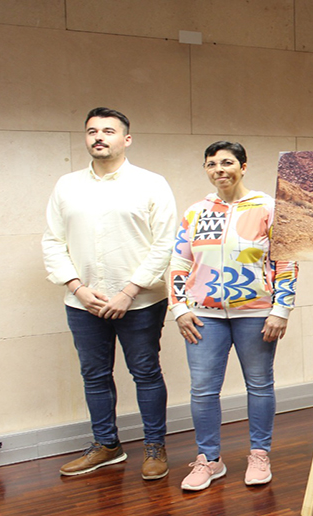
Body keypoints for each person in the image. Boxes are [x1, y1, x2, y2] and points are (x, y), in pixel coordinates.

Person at [42, 107, 177, 479]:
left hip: (141, 302)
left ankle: (154, 447)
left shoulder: (151, 183)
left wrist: (129, 291)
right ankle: (106, 445)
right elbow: (53, 242)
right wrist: (78, 289)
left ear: (126, 139)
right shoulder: (66, 186)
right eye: (91, 131)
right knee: (94, 375)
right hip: (82, 303)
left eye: (107, 131)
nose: (98, 136)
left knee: (146, 373)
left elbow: (165, 244)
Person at [171, 141, 298, 491]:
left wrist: (281, 309)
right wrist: (179, 308)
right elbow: (179, 264)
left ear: (243, 166)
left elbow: (286, 261)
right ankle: (209, 460)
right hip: (203, 316)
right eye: (211, 164)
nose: (219, 170)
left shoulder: (267, 208)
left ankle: (259, 454)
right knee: (202, 390)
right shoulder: (196, 211)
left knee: (259, 385)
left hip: (256, 314)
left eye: (227, 163)